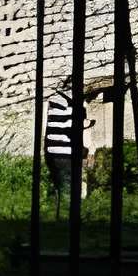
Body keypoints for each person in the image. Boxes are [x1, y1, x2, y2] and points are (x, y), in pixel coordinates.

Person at [43, 73, 85, 212]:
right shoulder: (69, 105)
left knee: (63, 183)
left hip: (62, 153)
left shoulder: (59, 101)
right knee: (60, 182)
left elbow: (70, 130)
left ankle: (57, 207)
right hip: (54, 152)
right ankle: (57, 209)